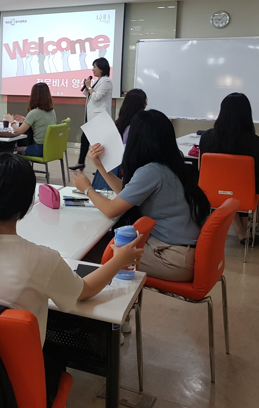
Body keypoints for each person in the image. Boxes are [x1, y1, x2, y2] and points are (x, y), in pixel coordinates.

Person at [0, 153, 143, 408]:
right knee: (56, 354)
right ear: (29, 204)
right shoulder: (42, 259)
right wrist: (119, 260)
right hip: (15, 382)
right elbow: (85, 290)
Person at [73, 110, 211, 282]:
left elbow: (111, 210)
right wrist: (100, 166)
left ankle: (98, 303)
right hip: (182, 253)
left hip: (170, 258)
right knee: (98, 248)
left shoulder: (151, 172)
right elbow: (126, 193)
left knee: (84, 255)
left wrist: (87, 189)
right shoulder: (171, 166)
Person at [199, 92, 259, 245]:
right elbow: (256, 174)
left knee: (228, 187)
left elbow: (201, 168)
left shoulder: (206, 137)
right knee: (242, 187)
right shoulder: (253, 141)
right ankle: (249, 227)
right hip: (244, 191)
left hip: (211, 192)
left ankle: (242, 232)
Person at [70, 57, 112, 171]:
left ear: (102, 68)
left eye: (95, 67)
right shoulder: (99, 80)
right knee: (85, 139)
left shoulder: (106, 81)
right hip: (92, 116)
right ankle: (81, 162)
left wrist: (89, 87)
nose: (93, 70)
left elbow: (97, 97)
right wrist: (87, 87)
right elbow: (90, 95)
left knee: (99, 143)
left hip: (99, 117)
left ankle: (102, 167)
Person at [5, 82, 57, 157]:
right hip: (51, 148)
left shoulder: (34, 113)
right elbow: (41, 122)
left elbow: (18, 131)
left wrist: (11, 121)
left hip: (38, 149)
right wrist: (26, 119)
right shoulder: (52, 111)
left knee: (10, 149)